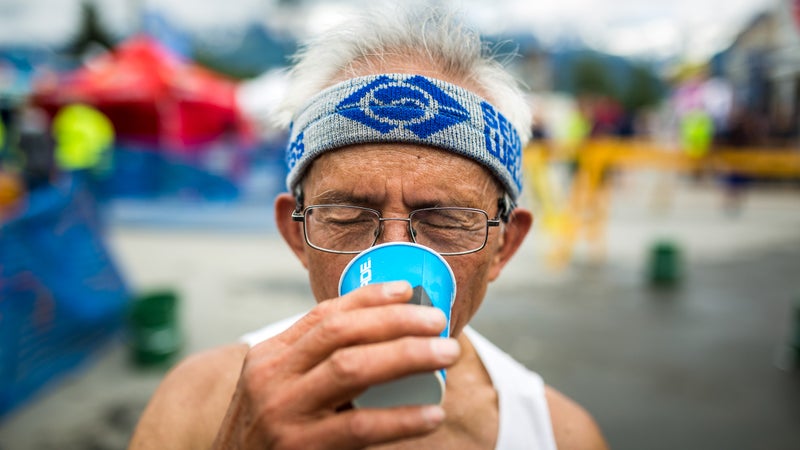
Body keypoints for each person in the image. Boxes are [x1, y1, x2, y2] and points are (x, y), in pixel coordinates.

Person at [129, 5, 608, 449]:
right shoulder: (199, 405)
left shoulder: (559, 435)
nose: (397, 275)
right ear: (297, 234)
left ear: (504, 247)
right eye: (347, 217)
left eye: (446, 221)